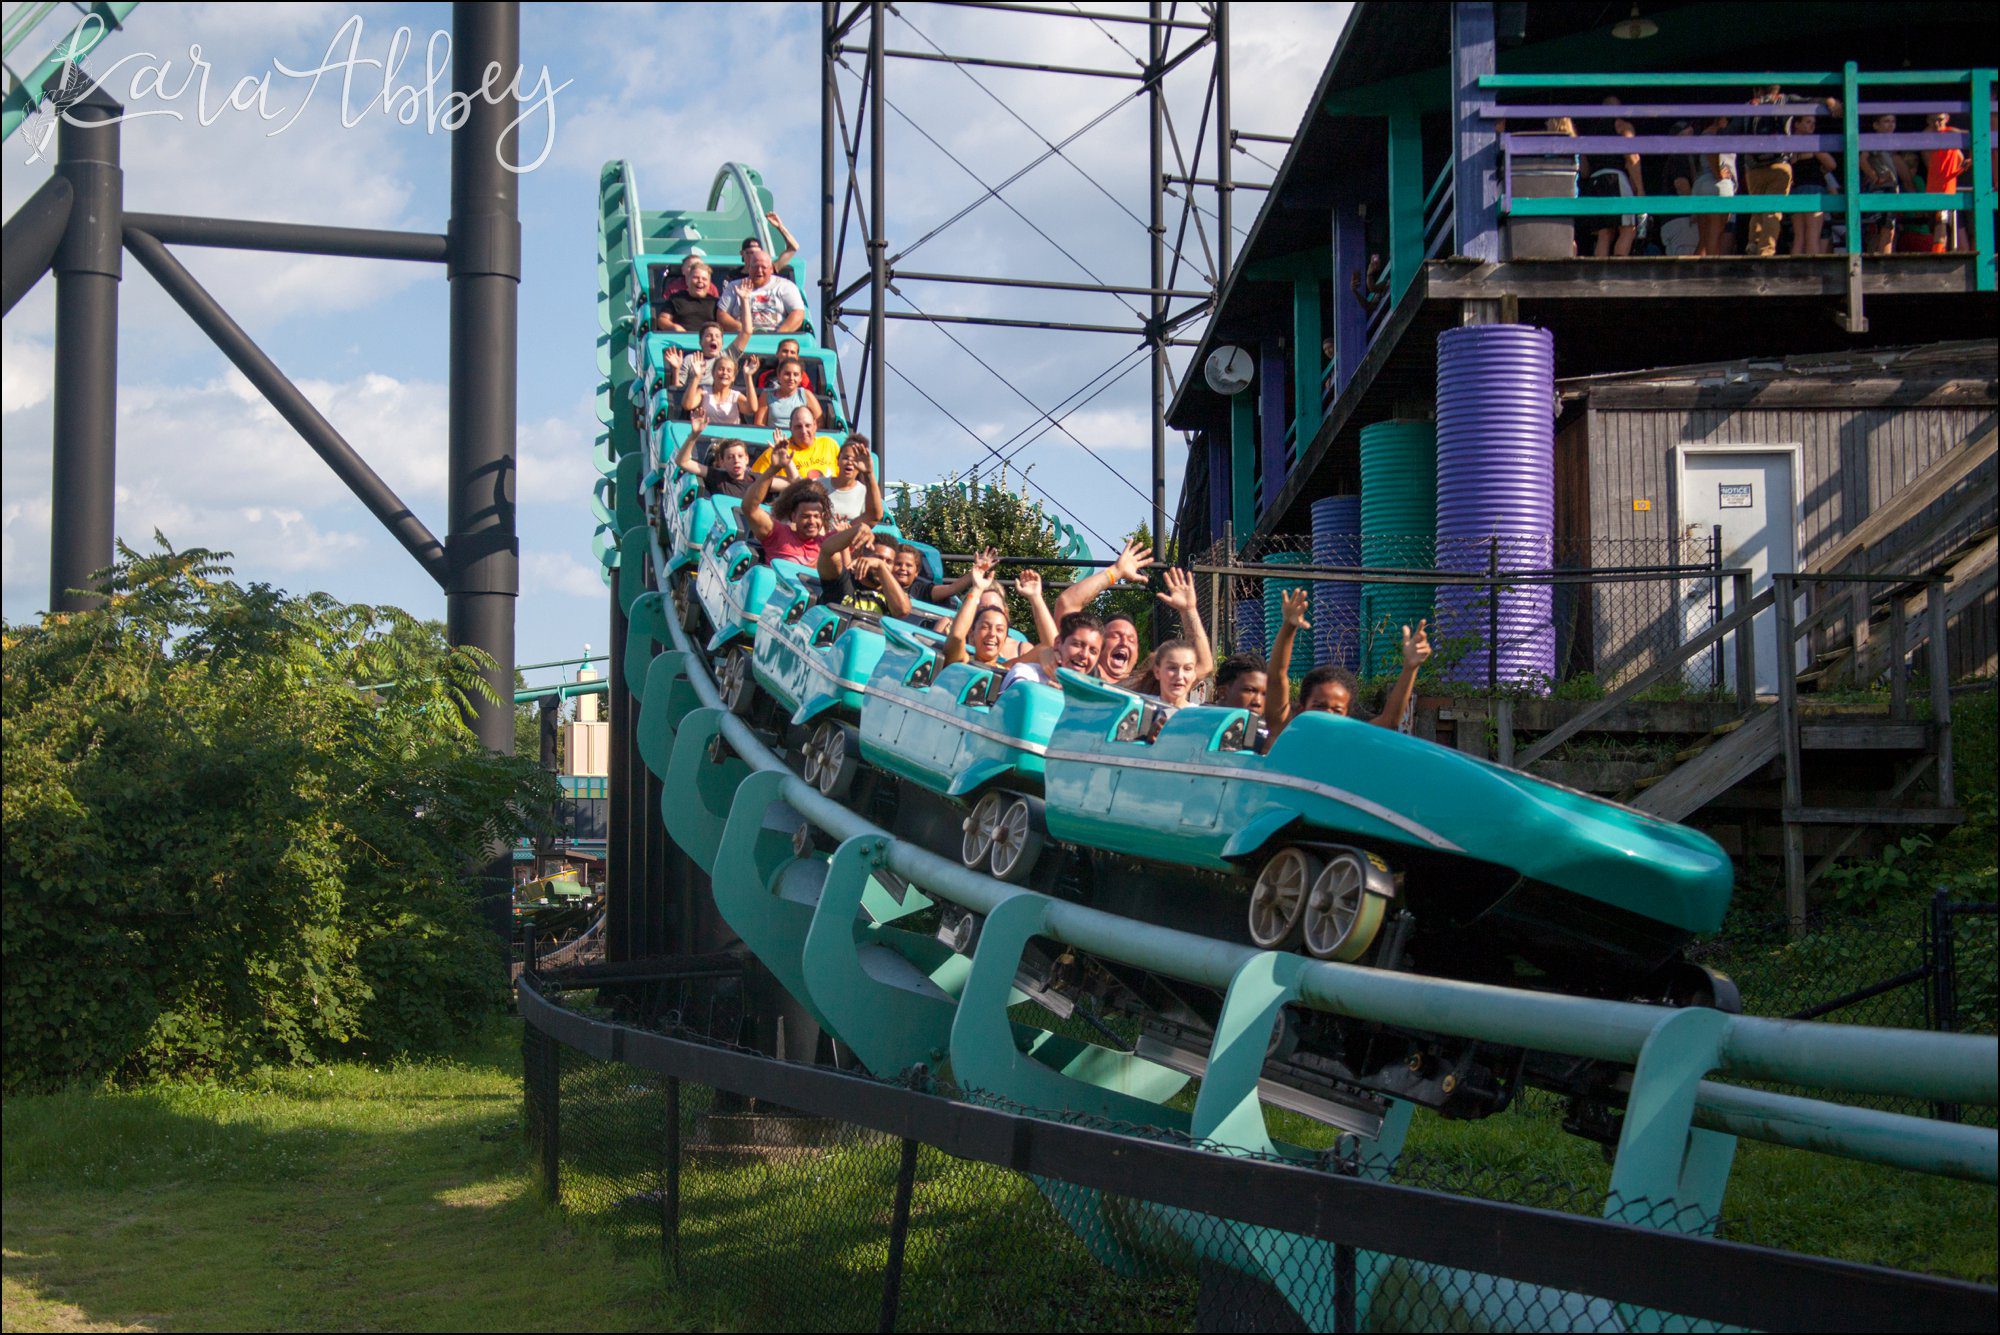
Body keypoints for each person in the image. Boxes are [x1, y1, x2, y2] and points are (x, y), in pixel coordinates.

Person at [1268, 592, 1431, 741]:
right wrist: (1288, 627)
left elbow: (1390, 721)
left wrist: (1410, 668)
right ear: (1303, 708)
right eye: (1318, 706)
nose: (1327, 714)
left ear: (1347, 716)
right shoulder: (1287, 731)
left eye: (1337, 710)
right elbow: (1277, 678)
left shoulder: (1350, 741)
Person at [1741, 85, 1840, 258]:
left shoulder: (1787, 142)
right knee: (1812, 235)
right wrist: (1829, 101)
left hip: (1793, 187)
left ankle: (1754, 243)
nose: (1812, 126)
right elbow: (1832, 164)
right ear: (1797, 123)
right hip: (1812, 188)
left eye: (1813, 123)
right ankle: (1809, 272)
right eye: (1808, 122)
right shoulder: (1809, 142)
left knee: (1798, 236)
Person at [1119, 569, 1215, 696]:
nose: (1123, 642)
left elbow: (1204, 665)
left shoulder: (1145, 688)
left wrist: (1189, 610)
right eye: (1114, 636)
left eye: (1131, 639)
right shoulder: (1088, 681)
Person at [743, 451, 832, 567]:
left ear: (823, 516)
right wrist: (773, 468)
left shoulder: (828, 544)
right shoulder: (778, 534)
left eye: (816, 516)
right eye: (805, 516)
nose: (812, 521)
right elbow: (749, 508)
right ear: (793, 515)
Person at [1579, 97, 1644, 257]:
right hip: (1615, 178)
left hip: (1595, 182)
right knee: (1629, 229)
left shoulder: (1590, 134)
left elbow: (1585, 170)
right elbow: (1632, 156)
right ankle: (1618, 271)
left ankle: (1600, 276)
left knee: (1604, 233)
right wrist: (1640, 189)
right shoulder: (1621, 125)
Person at [998, 608, 1104, 695]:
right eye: (1077, 644)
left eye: (1093, 651)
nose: (1084, 655)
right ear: (1058, 643)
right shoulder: (1026, 674)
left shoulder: (1095, 695)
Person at [672, 409, 765, 500]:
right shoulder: (717, 476)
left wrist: (776, 466)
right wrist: (694, 435)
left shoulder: (757, 479)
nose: (736, 460)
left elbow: (779, 483)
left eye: (740, 456)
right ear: (722, 462)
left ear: (747, 459)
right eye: (730, 457)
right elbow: (683, 462)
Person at [720, 241, 807, 334]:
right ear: (749, 269)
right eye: (755, 267)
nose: (759, 271)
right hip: (742, 337)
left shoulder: (786, 286)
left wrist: (778, 335)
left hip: (777, 338)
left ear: (771, 269)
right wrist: (743, 329)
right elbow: (721, 314)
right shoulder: (735, 286)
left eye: (763, 267)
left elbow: (798, 314)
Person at [1691, 114, 1738, 257]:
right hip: (1718, 185)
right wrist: (1718, 173)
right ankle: (1712, 267)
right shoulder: (1715, 134)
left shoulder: (1703, 134)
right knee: (1715, 235)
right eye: (1725, 119)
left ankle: (1693, 272)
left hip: (1700, 184)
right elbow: (1713, 152)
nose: (1727, 122)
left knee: (1704, 238)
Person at [751, 408, 841, 481]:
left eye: (808, 425)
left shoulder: (829, 444)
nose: (804, 431)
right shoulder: (776, 452)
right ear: (790, 427)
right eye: (798, 427)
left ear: (815, 425)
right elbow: (754, 482)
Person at [664, 322, 747, 396]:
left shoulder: (726, 357)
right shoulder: (690, 359)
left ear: (722, 343)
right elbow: (678, 392)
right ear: (700, 342)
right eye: (708, 336)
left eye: (717, 336)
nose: (713, 338)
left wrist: (744, 303)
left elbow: (746, 332)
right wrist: (676, 369)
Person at [1860, 112, 1902, 254]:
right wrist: (1874, 177)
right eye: (1886, 121)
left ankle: (1885, 259)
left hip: (1892, 189)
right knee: (1879, 229)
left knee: (1889, 228)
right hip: (1880, 190)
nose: (1890, 125)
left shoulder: (1892, 144)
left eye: (1893, 121)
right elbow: (1862, 159)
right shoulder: (1875, 140)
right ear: (1876, 125)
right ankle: (1877, 262)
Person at [1924, 112, 1966, 252]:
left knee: (1942, 220)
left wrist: (1953, 173)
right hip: (1935, 186)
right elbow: (1928, 163)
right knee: (1937, 221)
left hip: (1946, 186)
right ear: (1929, 121)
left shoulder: (1950, 136)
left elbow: (1961, 160)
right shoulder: (1928, 137)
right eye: (1933, 120)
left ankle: (1938, 251)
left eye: (1940, 120)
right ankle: (1938, 250)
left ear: (1947, 119)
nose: (1937, 124)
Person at [657, 258, 728, 333]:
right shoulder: (676, 298)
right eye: (696, 278)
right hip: (682, 339)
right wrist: (674, 327)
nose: (700, 281)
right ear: (688, 280)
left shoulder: (716, 303)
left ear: (709, 283)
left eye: (704, 279)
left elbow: (726, 324)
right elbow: (662, 320)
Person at [684, 352, 756, 425]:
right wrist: (697, 377)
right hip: (706, 435)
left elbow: (752, 409)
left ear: (733, 377)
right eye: (721, 369)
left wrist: (748, 377)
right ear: (713, 373)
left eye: (729, 370)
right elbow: (687, 405)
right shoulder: (703, 391)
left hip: (730, 436)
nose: (725, 373)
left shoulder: (735, 396)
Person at [756, 357, 826, 428]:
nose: (791, 378)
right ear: (779, 375)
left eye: (795, 375)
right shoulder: (766, 395)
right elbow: (759, 424)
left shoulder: (806, 395)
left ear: (801, 378)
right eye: (787, 374)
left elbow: (819, 422)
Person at [824, 437, 880, 524]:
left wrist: (869, 473)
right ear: (838, 460)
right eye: (846, 458)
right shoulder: (819, 485)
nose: (850, 462)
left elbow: (874, 516)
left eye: (855, 460)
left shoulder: (865, 492)